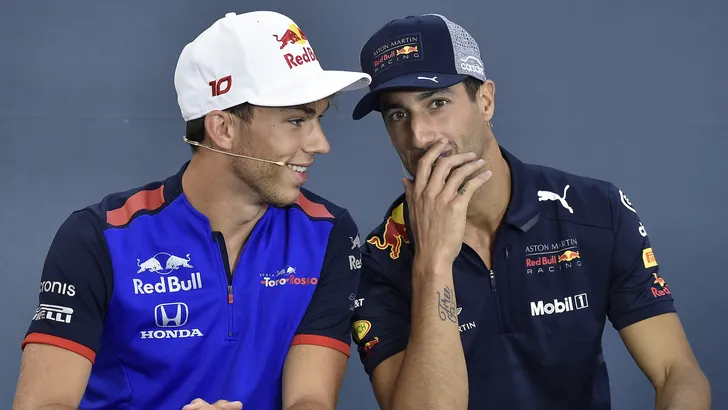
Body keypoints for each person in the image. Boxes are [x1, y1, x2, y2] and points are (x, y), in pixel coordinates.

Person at [348, 13, 710, 410]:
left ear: (485, 101)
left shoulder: (595, 211)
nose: (418, 136)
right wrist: (433, 263)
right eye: (398, 115)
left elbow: (676, 372)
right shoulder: (380, 259)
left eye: (437, 103)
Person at [13, 10, 371, 410]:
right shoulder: (99, 237)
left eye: (318, 118)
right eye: (296, 121)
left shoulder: (328, 233)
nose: (320, 144)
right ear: (222, 128)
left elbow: (310, 400)